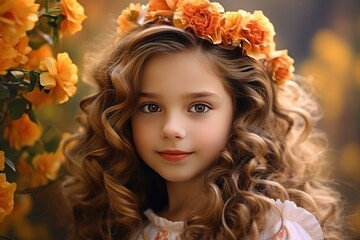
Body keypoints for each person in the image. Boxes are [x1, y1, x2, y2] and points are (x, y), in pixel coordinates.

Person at [61, 0, 345, 239]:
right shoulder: (128, 228)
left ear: (242, 110)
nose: (171, 129)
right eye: (149, 107)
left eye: (198, 107)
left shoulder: (270, 229)